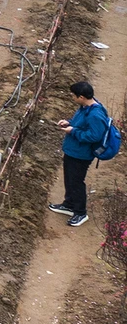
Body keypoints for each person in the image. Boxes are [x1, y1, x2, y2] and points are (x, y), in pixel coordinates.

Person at [52, 81, 111, 227]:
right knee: (69, 179)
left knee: (77, 182)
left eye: (74, 95)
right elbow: (80, 123)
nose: (72, 97)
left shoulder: (95, 114)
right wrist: (69, 123)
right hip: (72, 151)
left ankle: (80, 212)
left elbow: (94, 136)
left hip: (81, 154)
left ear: (82, 97)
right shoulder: (85, 107)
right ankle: (69, 204)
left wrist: (73, 131)